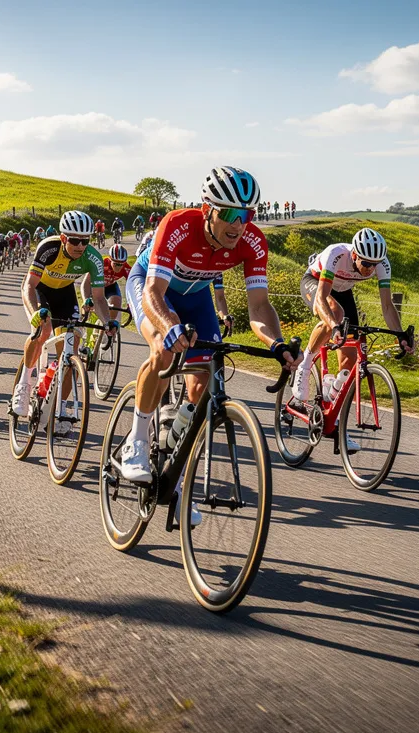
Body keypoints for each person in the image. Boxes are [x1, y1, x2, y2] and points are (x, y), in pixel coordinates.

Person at [115, 166, 297, 525]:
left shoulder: (253, 242)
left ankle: (177, 478)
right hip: (153, 288)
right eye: (229, 213)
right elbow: (153, 293)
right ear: (207, 210)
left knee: (204, 386)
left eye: (246, 214)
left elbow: (259, 307)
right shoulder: (178, 225)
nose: (238, 224)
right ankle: (137, 441)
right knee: (163, 350)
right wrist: (169, 326)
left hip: (197, 299)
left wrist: (277, 343)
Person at [290, 228, 411, 448]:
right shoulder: (336, 254)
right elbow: (322, 298)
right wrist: (334, 325)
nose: (370, 269)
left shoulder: (382, 264)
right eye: (366, 263)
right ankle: (304, 365)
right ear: (354, 255)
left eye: (375, 264)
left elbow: (386, 306)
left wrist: (400, 335)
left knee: (349, 360)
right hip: (315, 283)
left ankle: (333, 416)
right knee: (336, 315)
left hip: (343, 291)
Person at [12, 210, 118, 428]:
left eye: (85, 241)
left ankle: (59, 407)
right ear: (63, 238)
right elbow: (29, 285)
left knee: (71, 353)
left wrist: (107, 322)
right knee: (43, 329)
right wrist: (35, 313)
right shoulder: (49, 248)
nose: (80, 246)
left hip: (64, 294)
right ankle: (24, 384)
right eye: (75, 240)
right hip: (39, 290)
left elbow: (99, 298)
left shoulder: (93, 258)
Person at [103, 242, 132, 312]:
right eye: (116, 264)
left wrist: (130, 304)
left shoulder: (126, 268)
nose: (118, 267)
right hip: (96, 285)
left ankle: (110, 319)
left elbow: (131, 286)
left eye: (121, 264)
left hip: (110, 285)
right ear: (110, 260)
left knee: (116, 304)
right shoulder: (102, 264)